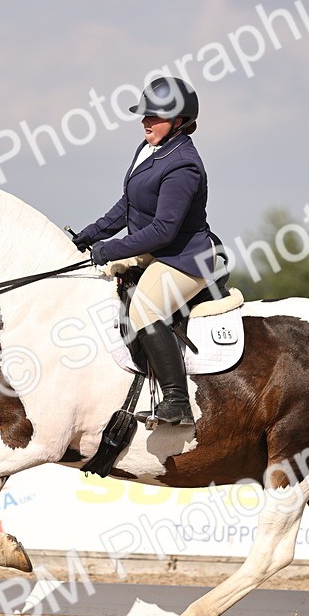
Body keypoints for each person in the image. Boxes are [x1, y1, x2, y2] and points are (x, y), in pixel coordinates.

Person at [72, 76, 222, 427]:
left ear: (179, 121)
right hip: (157, 252)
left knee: (145, 308)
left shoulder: (183, 164)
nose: (145, 121)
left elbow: (163, 230)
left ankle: (177, 402)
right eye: (144, 115)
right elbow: (127, 205)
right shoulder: (150, 149)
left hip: (184, 259)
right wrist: (86, 236)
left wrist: (110, 249)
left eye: (154, 116)